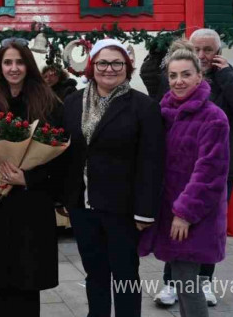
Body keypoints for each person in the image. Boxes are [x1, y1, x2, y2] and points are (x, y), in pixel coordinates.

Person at [141, 28, 233, 307]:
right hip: (176, 170)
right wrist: (158, 47)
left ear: (218, 52)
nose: (202, 55)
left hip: (219, 168)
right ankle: (172, 281)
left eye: (209, 50)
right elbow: (151, 79)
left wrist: (226, 75)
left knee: (204, 230)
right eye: (197, 49)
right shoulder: (177, 79)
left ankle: (203, 282)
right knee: (174, 229)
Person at [61, 39, 165, 317]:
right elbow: (65, 152)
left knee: (125, 274)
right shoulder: (72, 103)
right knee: (94, 273)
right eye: (103, 63)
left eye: (117, 63)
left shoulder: (143, 107)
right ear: (92, 66)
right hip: (83, 206)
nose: (109, 69)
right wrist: (65, 196)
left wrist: (145, 211)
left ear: (127, 67)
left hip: (123, 208)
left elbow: (151, 162)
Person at [0, 38, 64, 317]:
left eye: (19, 62)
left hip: (33, 201)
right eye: (7, 62)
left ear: (28, 64)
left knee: (28, 276)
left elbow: (59, 151)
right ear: (0, 66)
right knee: (3, 276)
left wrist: (29, 179)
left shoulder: (47, 100)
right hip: (2, 200)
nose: (14, 68)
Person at [139, 40, 230, 317]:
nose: (179, 81)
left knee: (189, 284)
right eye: (173, 76)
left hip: (193, 217)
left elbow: (210, 172)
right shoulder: (164, 113)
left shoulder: (212, 117)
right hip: (170, 212)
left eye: (186, 74)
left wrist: (185, 213)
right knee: (181, 280)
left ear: (199, 76)